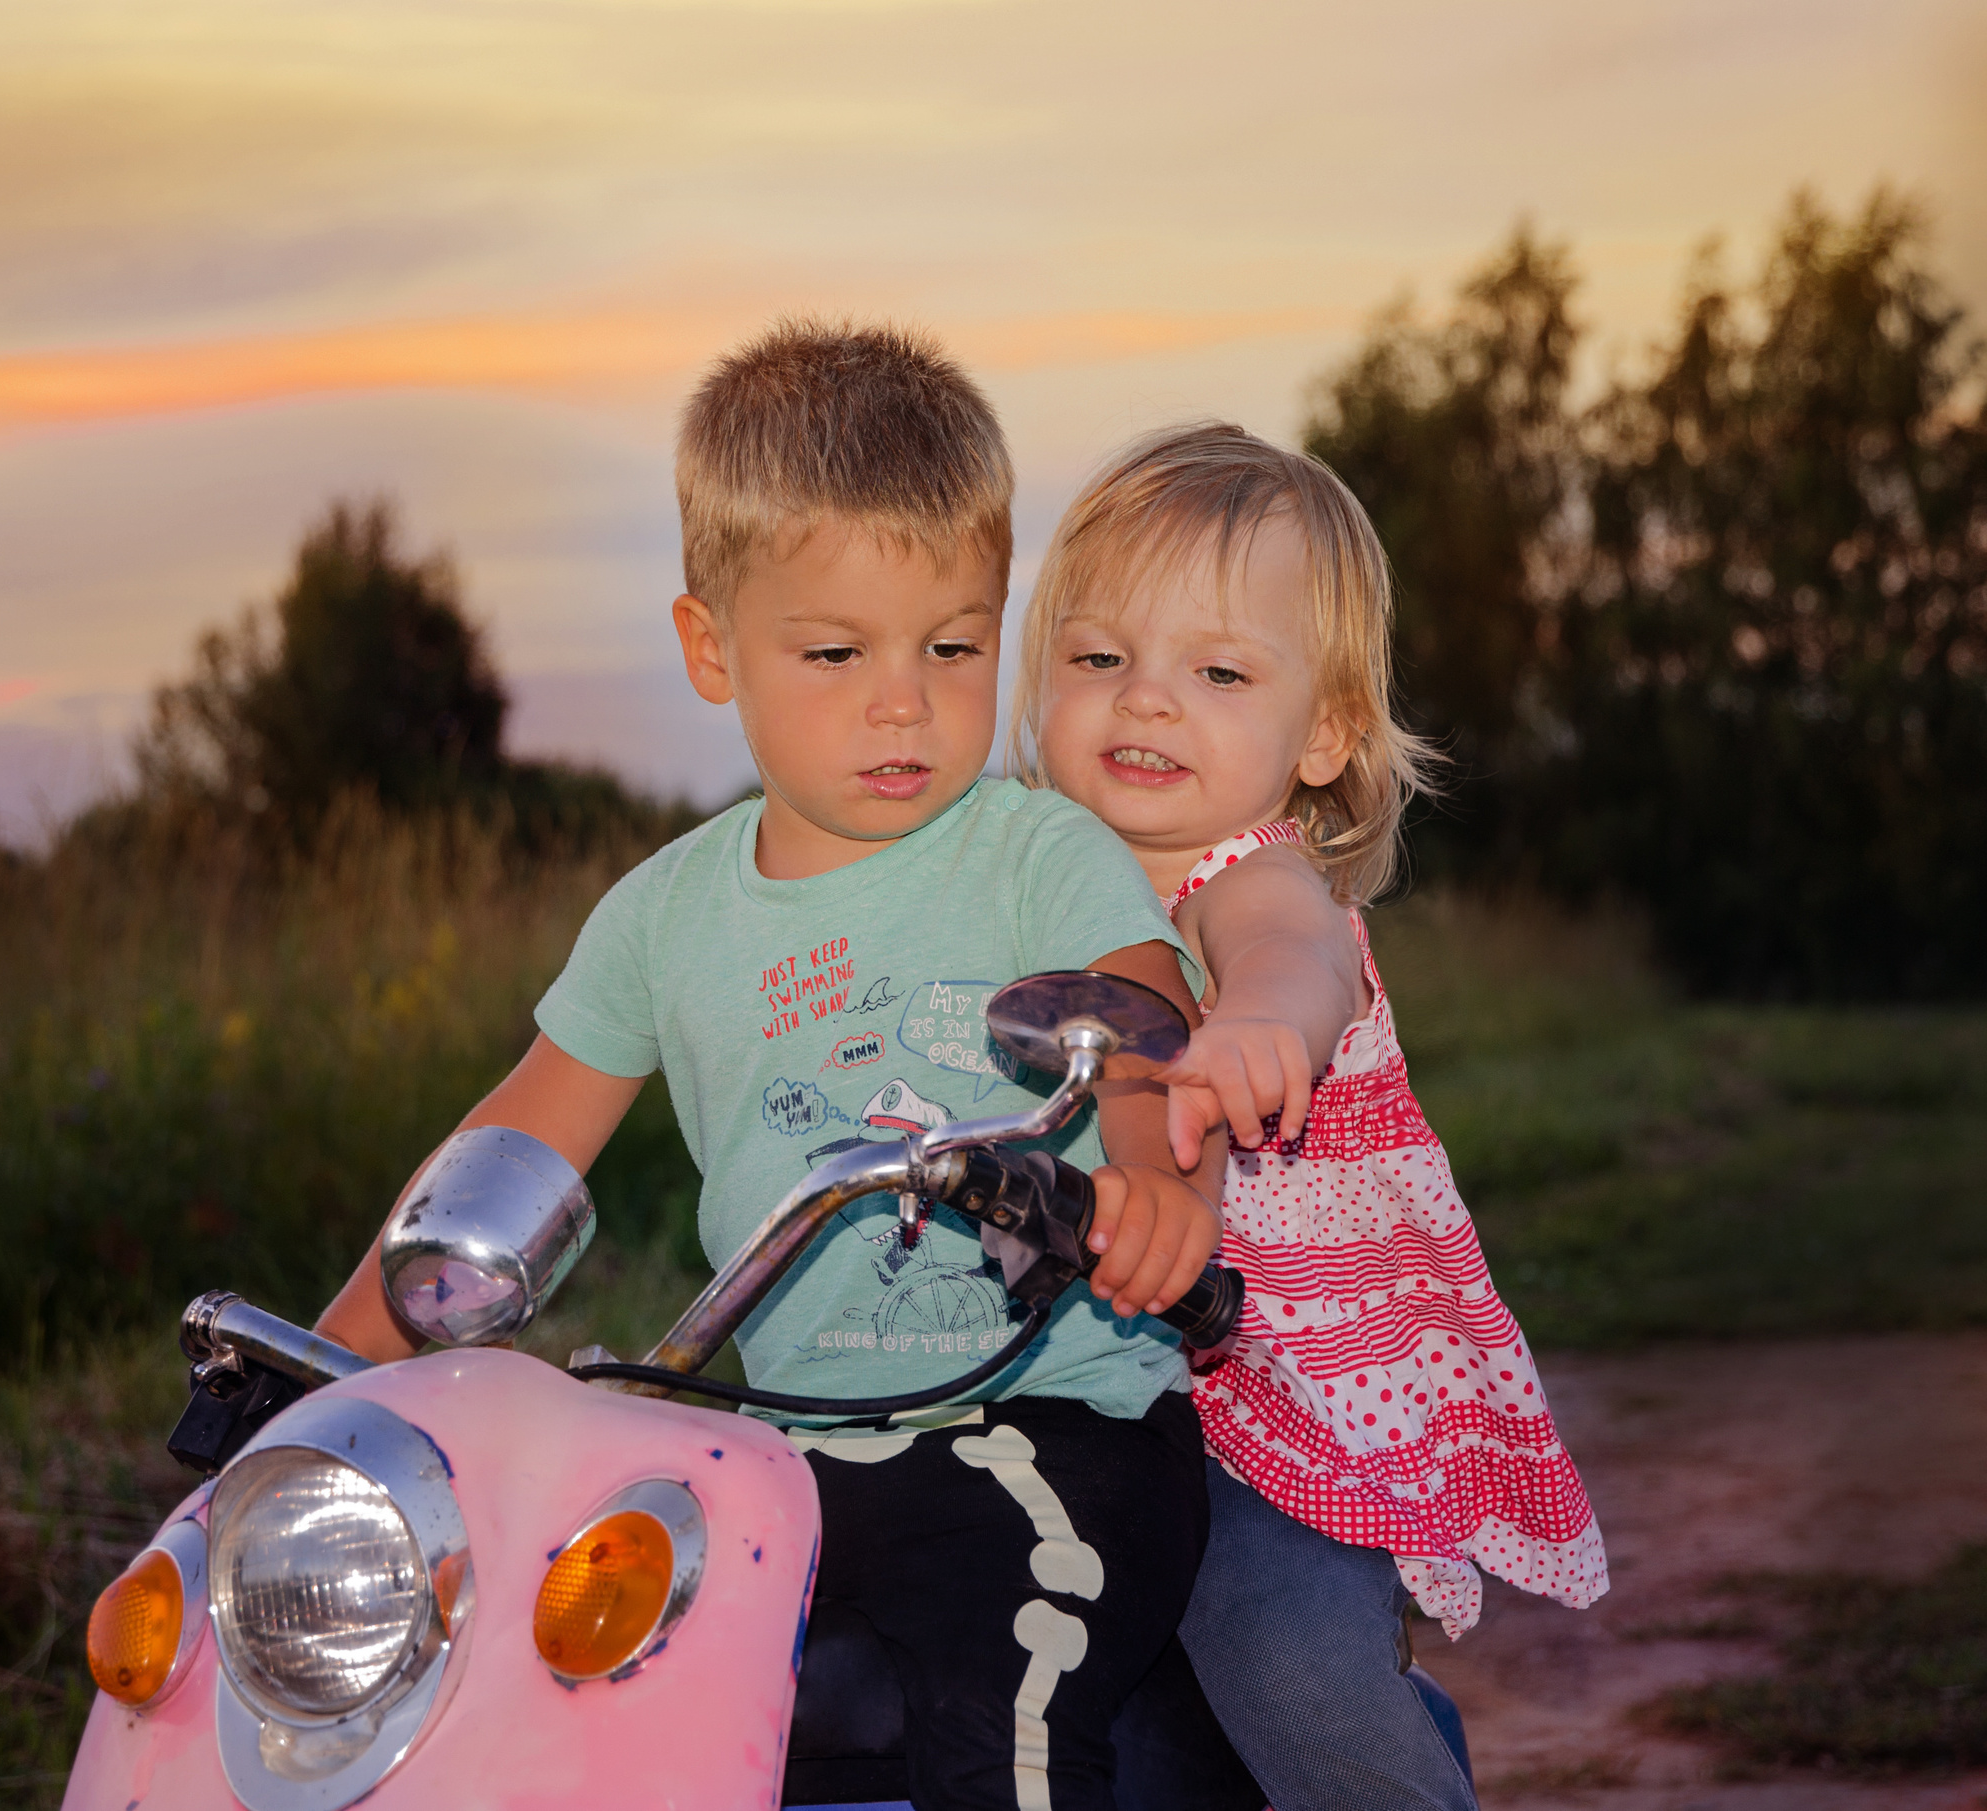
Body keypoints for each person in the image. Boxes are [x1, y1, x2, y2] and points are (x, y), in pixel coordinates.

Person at [316, 320, 1225, 1810]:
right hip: (795, 1460)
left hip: (1047, 1430)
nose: (903, 701)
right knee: (598, 1703)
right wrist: (334, 1375)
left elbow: (1135, 1017)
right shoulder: (666, 916)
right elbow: (510, 1154)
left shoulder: (1034, 852)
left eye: (952, 645)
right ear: (709, 647)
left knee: (1004, 1713)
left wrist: (1152, 1178)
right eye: (834, 652)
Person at [1012, 422, 1609, 1810]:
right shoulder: (1029, 877)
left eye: (1217, 672)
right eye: (1101, 660)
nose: (1148, 703)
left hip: (1275, 1387)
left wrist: (1260, 1025)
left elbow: (1298, 957)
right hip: (1095, 1382)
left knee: (1290, 1670)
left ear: (1326, 731)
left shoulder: (1247, 876)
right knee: (1129, 1732)